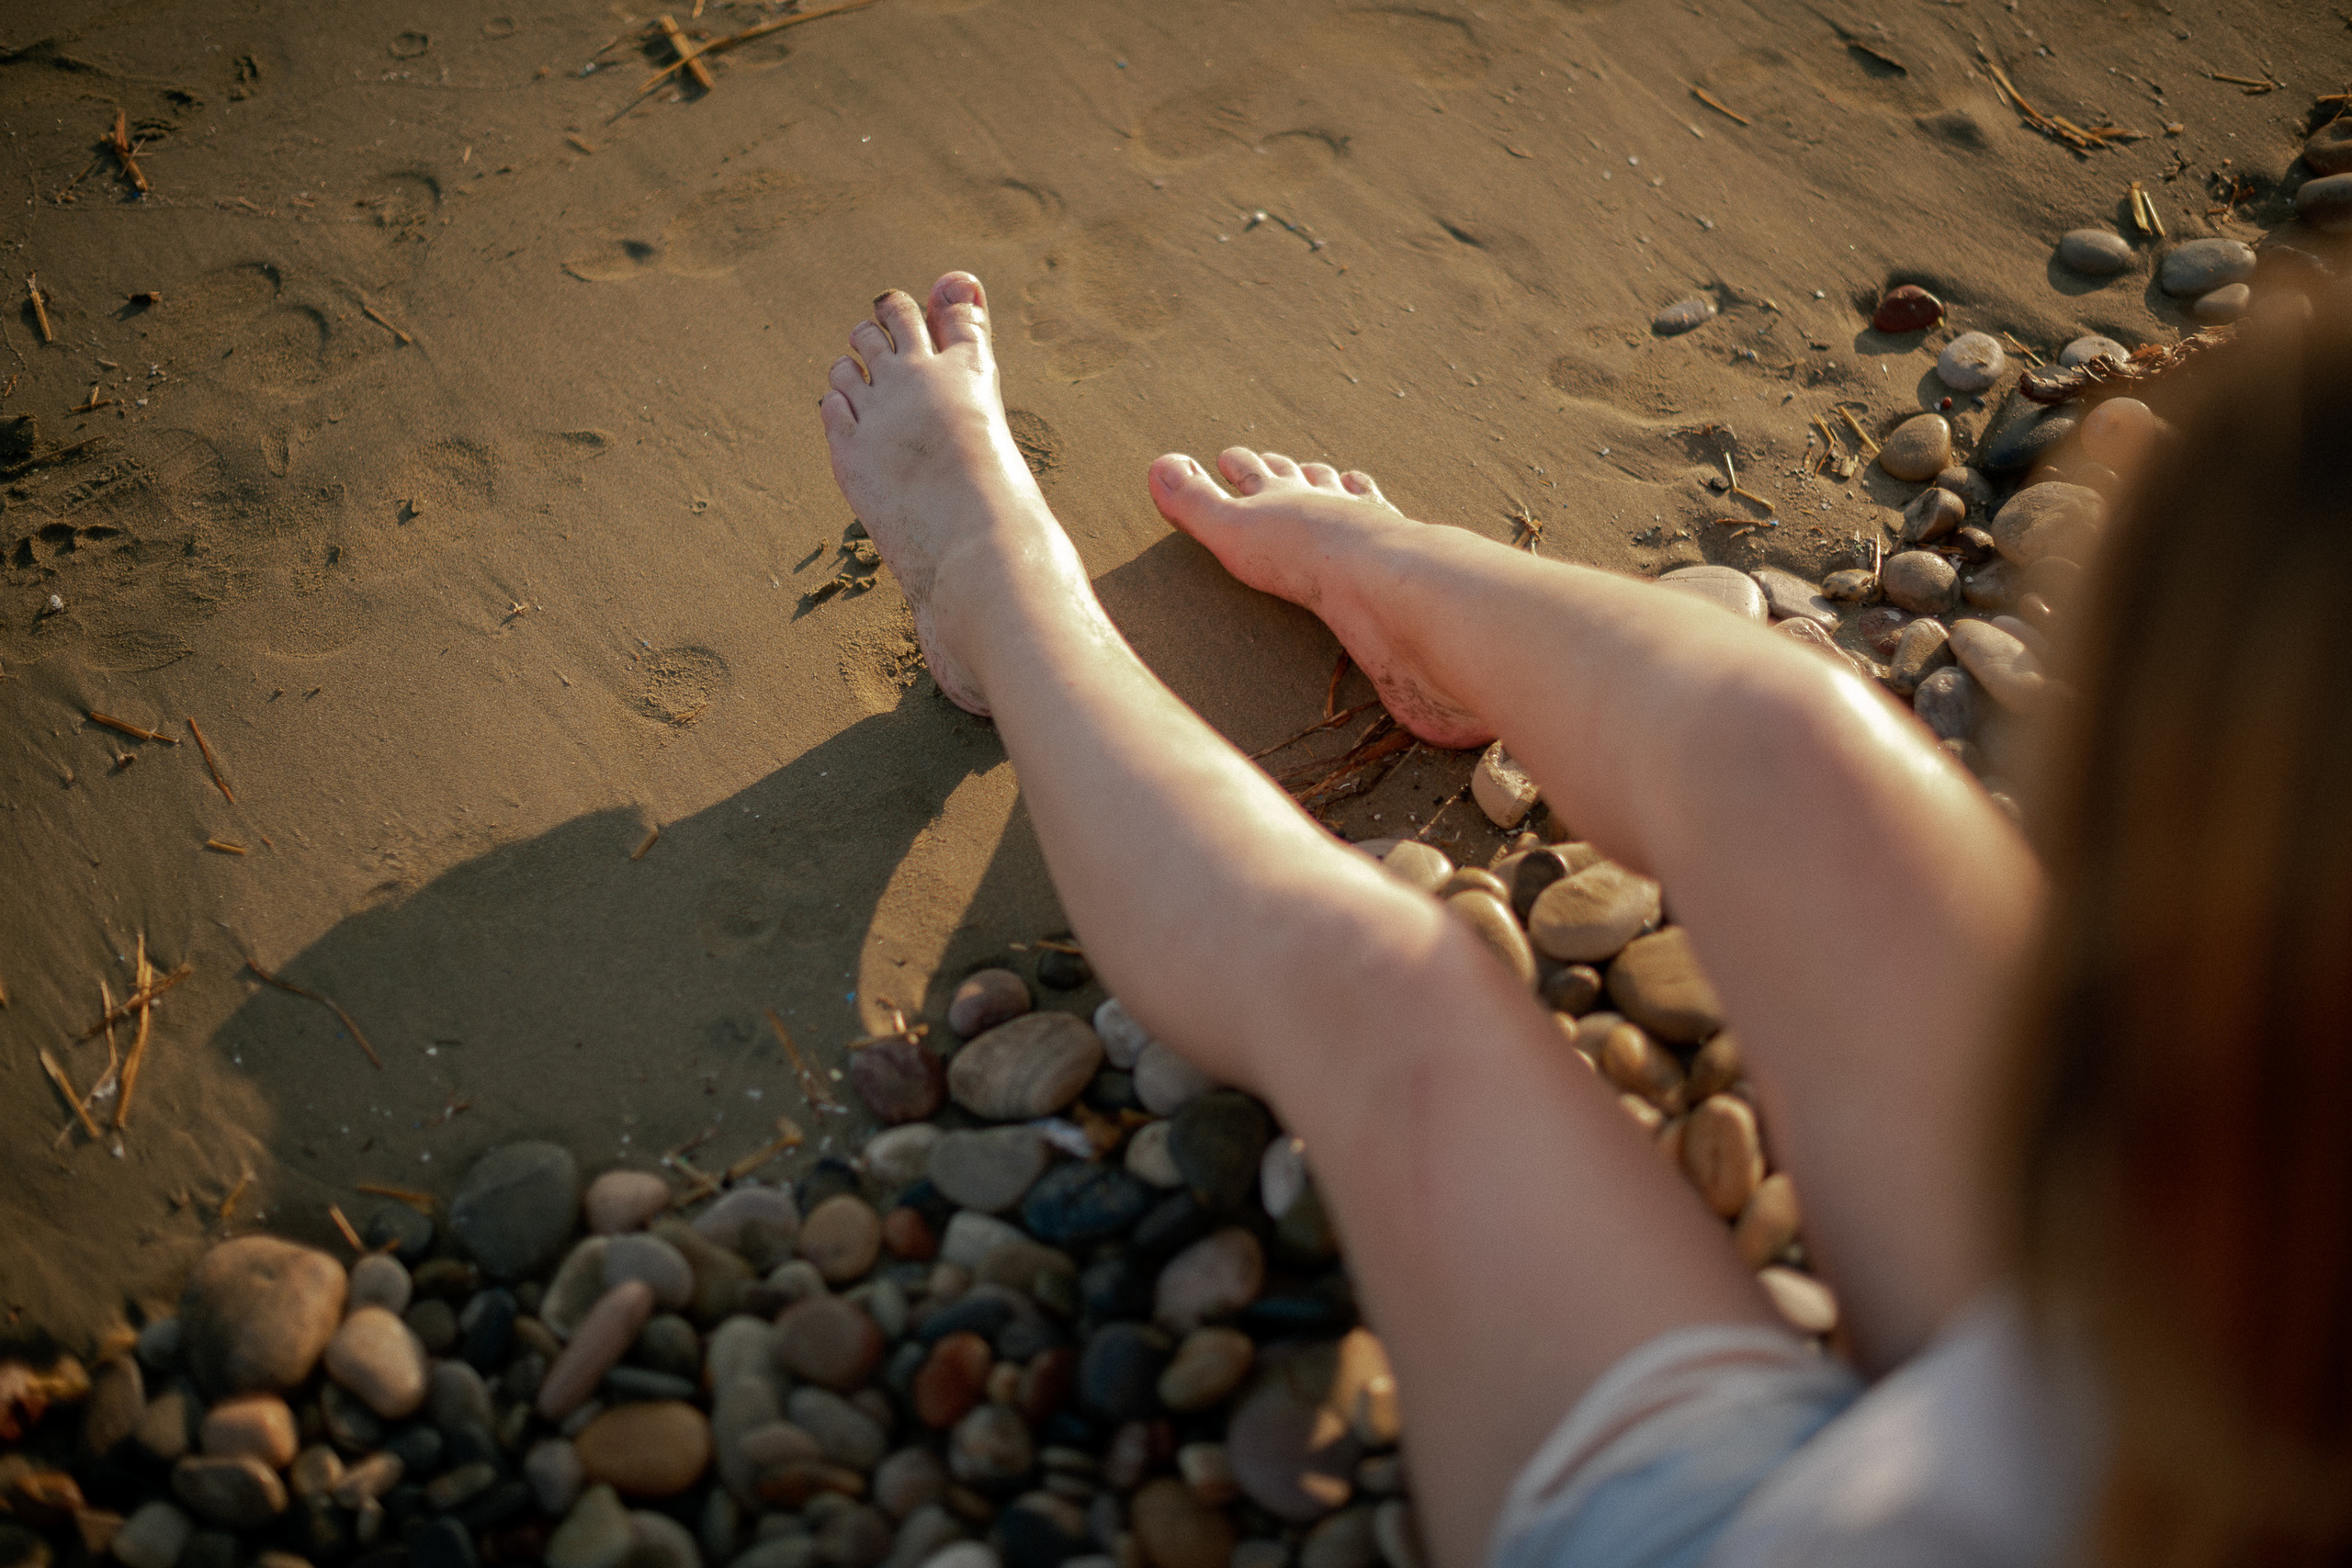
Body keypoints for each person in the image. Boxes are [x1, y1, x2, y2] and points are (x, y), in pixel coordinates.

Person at [815, 272, 2352, 1566]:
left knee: (1386, 993)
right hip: (2192, 1357)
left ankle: (989, 580)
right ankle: (1397, 588)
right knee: (1791, 749)